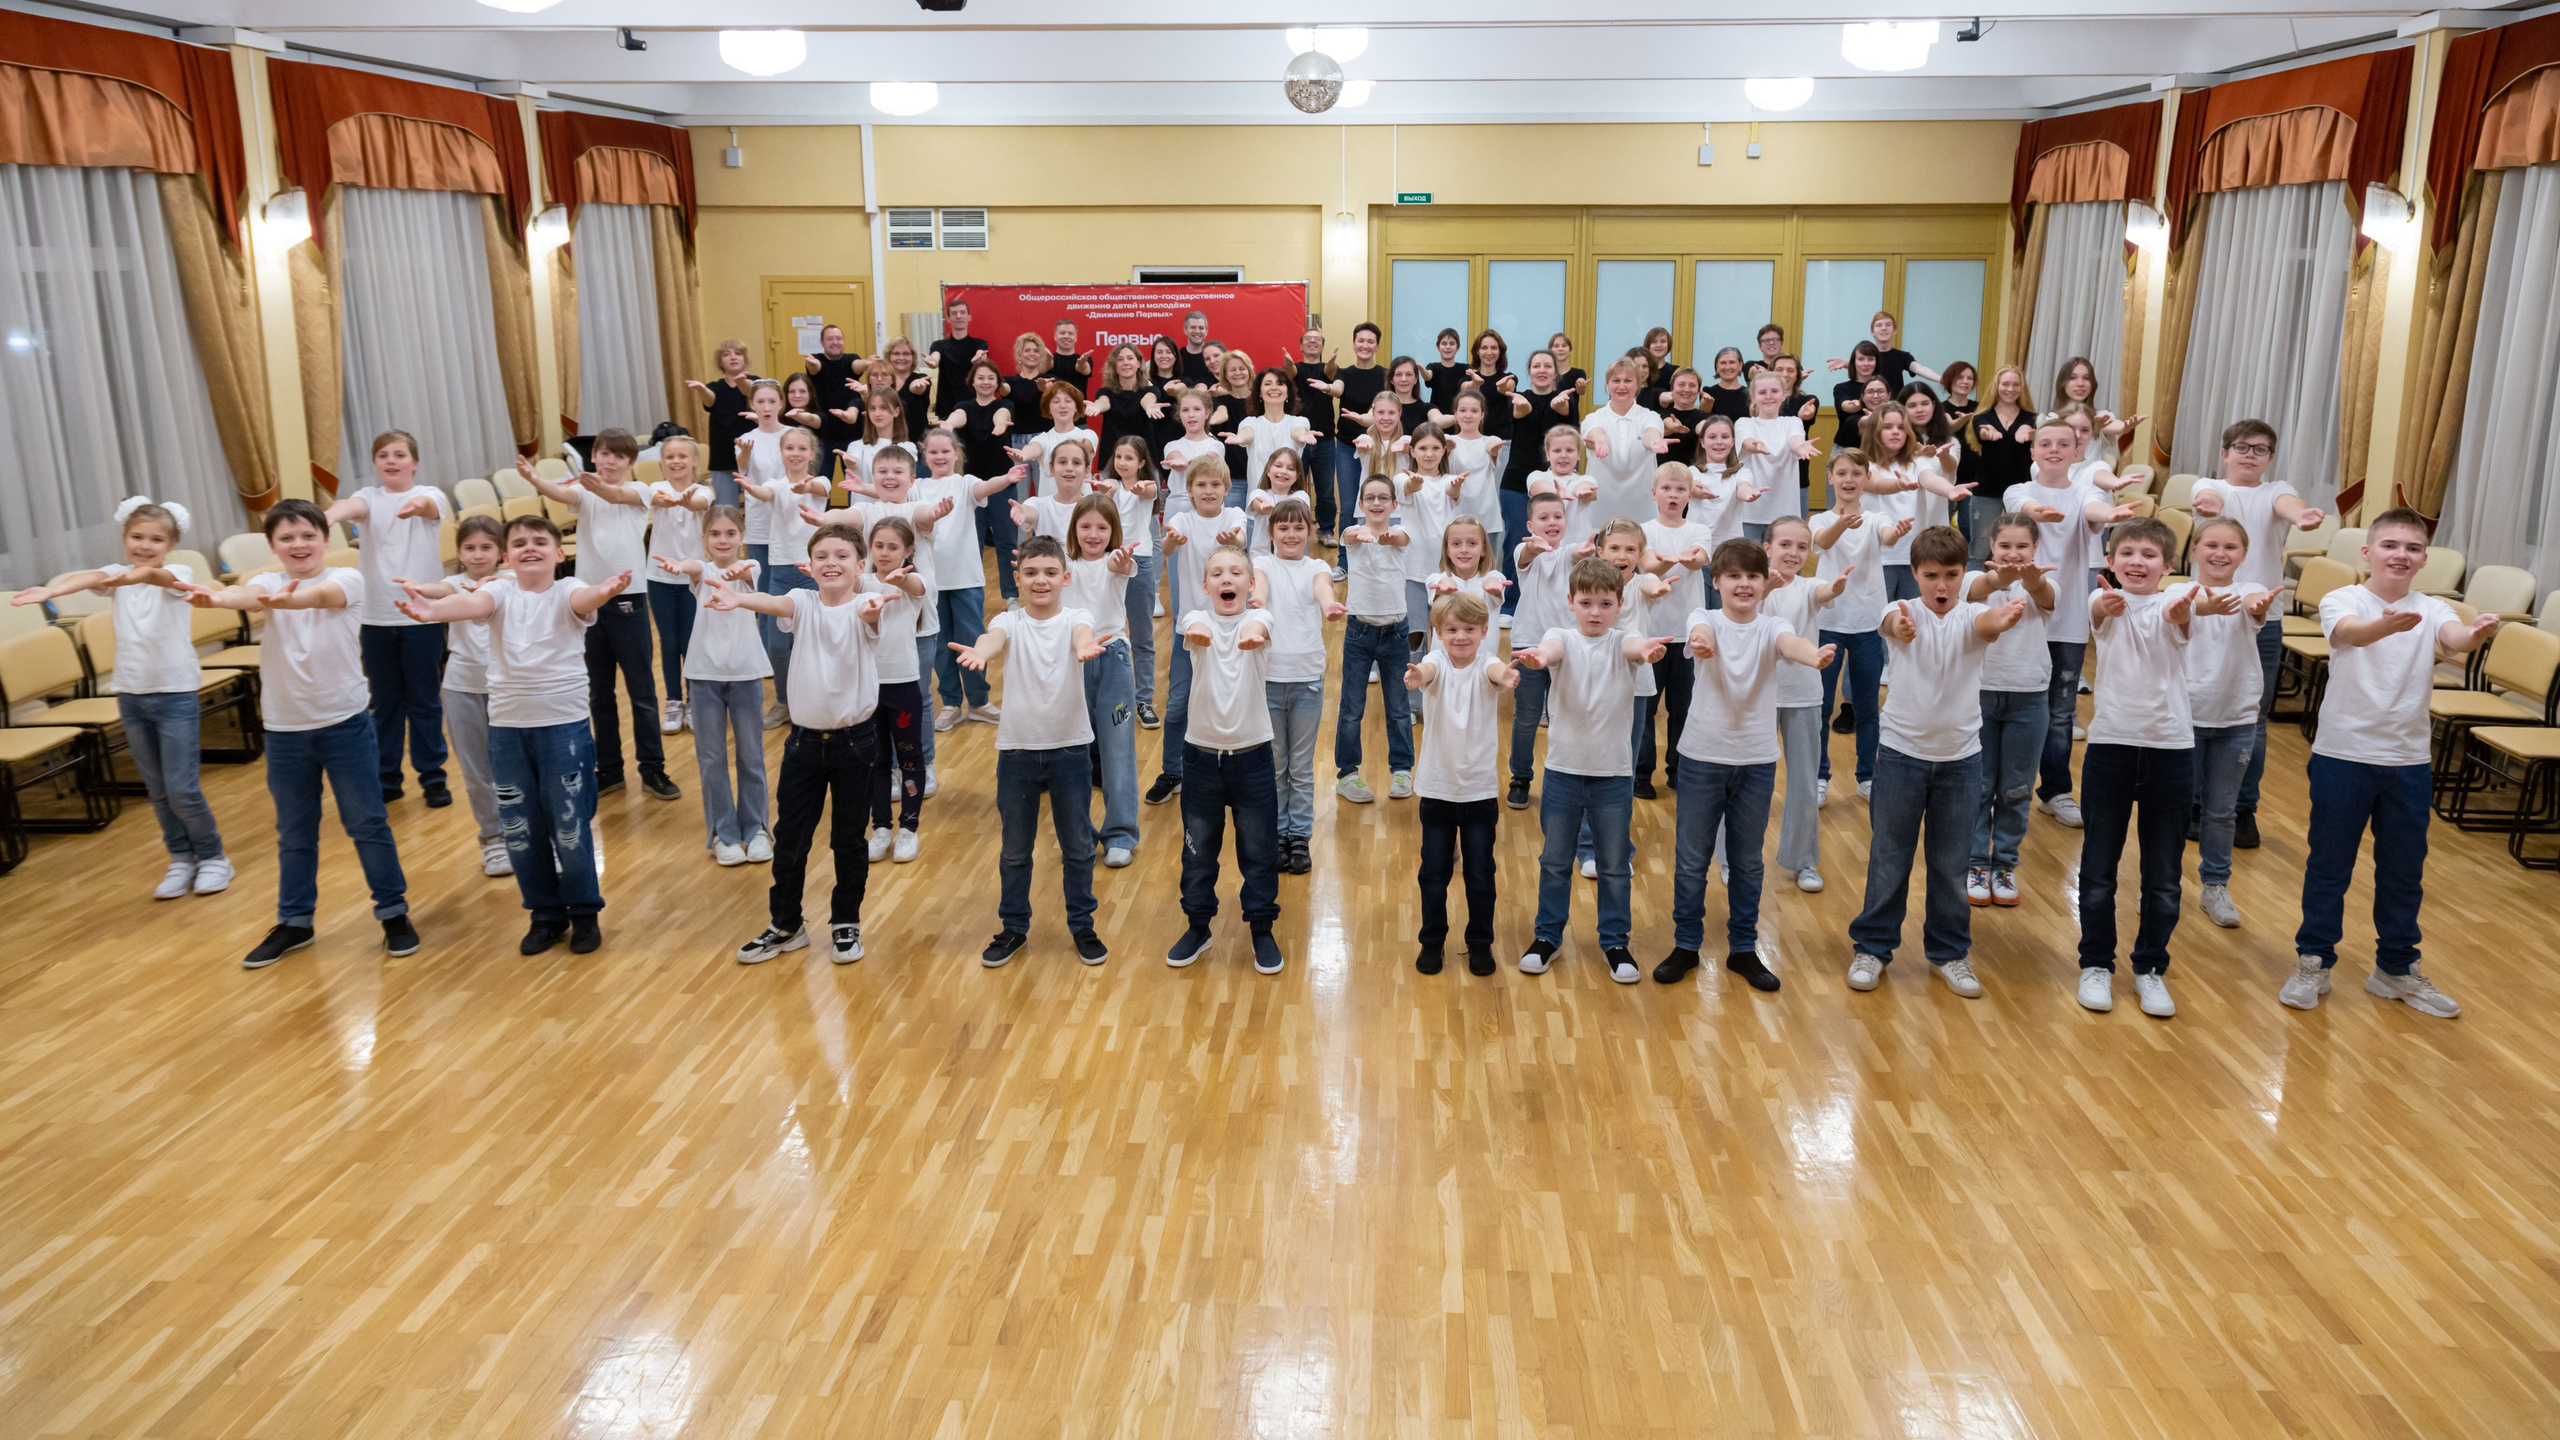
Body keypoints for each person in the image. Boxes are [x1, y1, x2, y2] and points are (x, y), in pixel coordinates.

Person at [183, 500, 416, 968]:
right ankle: (295, 922)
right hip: (286, 730)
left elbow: (317, 597)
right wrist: (218, 600)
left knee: (367, 823)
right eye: (286, 538)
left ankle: (393, 913)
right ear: (272, 546)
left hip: (344, 724)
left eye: (307, 535)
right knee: (294, 831)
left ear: (324, 539)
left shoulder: (347, 579)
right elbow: (246, 597)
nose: (298, 545)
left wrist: (284, 600)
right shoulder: (266, 583)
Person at [2287, 509, 2498, 1018]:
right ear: (2369, 553)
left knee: (2403, 871)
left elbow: (2454, 639)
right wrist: (2384, 624)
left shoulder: (2435, 607)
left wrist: (2477, 635)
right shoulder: (2344, 599)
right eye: (2390, 545)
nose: (2401, 555)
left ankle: (2396, 969)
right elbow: (2352, 635)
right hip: (2343, 754)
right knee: (2329, 866)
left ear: (2424, 558)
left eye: (2413, 548)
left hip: (2407, 761)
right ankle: (2313, 961)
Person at [395, 515, 624, 955]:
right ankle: (544, 915)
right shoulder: (497, 590)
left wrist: (607, 590)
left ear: (559, 553)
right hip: (508, 729)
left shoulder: (567, 588)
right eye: (519, 543)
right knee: (521, 827)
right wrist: (432, 612)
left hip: (563, 726)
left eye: (540, 541)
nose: (529, 548)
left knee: (570, 825)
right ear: (506, 557)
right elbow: (473, 606)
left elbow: (585, 599)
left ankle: (583, 912)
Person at [13, 499, 230, 897]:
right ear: (124, 537)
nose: (145, 545)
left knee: (183, 789)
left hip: (175, 695)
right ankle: (180, 858)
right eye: (136, 537)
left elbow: (151, 576)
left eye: (156, 539)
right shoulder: (115, 575)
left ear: (171, 543)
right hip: (131, 695)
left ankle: (214, 858)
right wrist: (51, 590)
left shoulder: (177, 573)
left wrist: (127, 578)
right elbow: (92, 576)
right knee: (158, 789)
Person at [1845, 525, 2026, 998]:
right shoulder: (1899, 609)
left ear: (1964, 575)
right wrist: (1900, 627)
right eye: (1931, 575)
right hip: (1901, 757)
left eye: (1951, 575)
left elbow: (1985, 626)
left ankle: (1950, 952)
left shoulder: (1975, 614)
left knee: (1950, 865)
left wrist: (2004, 620)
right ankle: (1872, 947)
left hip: (1961, 762)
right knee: (1889, 858)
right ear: (1915, 574)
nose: (1941, 585)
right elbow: (1891, 626)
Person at [712, 522, 893, 967]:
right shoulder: (803, 603)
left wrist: (872, 610)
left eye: (842, 556)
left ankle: (845, 923)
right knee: (791, 837)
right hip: (803, 746)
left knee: (848, 840)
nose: (831, 563)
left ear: (860, 566)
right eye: (822, 557)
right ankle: (786, 925)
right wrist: (738, 599)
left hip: (857, 744)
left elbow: (871, 617)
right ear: (810, 567)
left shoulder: (866, 606)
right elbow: (774, 601)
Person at [1661, 537, 1835, 991]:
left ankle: (1742, 949)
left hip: (1755, 761)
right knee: (1691, 860)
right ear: (1716, 581)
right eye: (1734, 576)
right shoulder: (1705, 617)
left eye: (1753, 576)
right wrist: (1700, 644)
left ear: (1764, 584)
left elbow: (1791, 642)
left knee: (1747, 862)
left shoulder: (1773, 624)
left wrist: (1811, 657)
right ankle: (1686, 945)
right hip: (1701, 756)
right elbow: (1700, 633)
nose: (1743, 584)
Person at [953, 535, 1110, 968]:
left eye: (1050, 573)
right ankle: (1013, 929)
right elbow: (992, 638)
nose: (1041, 581)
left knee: (1078, 845)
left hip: (1071, 751)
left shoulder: (1078, 616)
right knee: (1015, 850)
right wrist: (980, 653)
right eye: (1031, 573)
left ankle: (1083, 926)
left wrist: (1083, 648)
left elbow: (1083, 634)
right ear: (1018, 578)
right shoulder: (1011, 620)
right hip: (1018, 754)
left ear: (1065, 578)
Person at [1511, 554, 1667, 984]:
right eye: (1586, 603)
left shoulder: (1625, 640)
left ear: (1618, 605)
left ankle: (1615, 943)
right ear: (1571, 602)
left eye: (1604, 603)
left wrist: (1649, 650)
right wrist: (1538, 659)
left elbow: (1638, 647)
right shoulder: (1560, 635)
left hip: (1613, 776)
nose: (1595, 612)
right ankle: (1547, 937)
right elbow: (1549, 650)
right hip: (1563, 773)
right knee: (1555, 860)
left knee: (1614, 865)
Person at [2074, 516, 2206, 1016]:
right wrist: (2108, 603)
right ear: (2110, 560)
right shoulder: (2100, 599)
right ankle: (2096, 964)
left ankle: (2150, 968)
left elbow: (2181, 617)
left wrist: (2180, 609)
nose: (2137, 562)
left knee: (2164, 874)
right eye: (2127, 553)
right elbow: (2102, 610)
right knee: (2098, 868)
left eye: (2150, 555)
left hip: (2171, 750)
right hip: (2111, 747)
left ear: (2168, 565)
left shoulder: (2178, 601)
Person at [2189, 419, 2327, 850]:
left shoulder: (2275, 491)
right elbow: (2207, 498)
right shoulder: (2208, 486)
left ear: (2270, 457)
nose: (2250, 454)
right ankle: (2194, 804)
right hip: (2206, 612)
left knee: (2254, 718)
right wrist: (2210, 508)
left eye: (2261, 449)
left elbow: (2289, 504)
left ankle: (2243, 809)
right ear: (2225, 452)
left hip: (2262, 617)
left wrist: (2302, 516)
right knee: (2194, 709)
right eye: (2242, 447)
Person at [2003, 418, 2142, 826]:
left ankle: (2056, 791)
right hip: (2022, 617)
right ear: (2033, 451)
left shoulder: (2086, 491)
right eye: (2045, 443)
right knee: (2014, 706)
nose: (2054, 450)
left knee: (2060, 712)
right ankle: (2006, 788)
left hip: (2068, 621)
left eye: (2064, 444)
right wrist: (2038, 512)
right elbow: (2025, 510)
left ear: (2076, 450)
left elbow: (2093, 509)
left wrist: (2111, 510)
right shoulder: (2020, 490)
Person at [1167, 544, 1287, 975]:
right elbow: (1193, 627)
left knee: (1258, 850)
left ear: (1250, 584)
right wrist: (1200, 634)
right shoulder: (1195, 618)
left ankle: (1261, 929)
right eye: (1216, 573)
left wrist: (1252, 632)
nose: (1226, 579)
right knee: (1198, 853)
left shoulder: (1262, 619)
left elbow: (1259, 623)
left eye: (1236, 572)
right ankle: (1199, 927)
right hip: (1200, 759)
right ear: (1205, 585)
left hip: (1252, 758)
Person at [325, 430, 452, 806]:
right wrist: (326, 518)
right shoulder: (368, 497)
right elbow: (349, 507)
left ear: (414, 462)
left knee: (425, 701)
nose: (391, 461)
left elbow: (429, 505)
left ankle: (433, 778)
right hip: (377, 619)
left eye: (399, 455)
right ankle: (387, 779)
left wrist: (416, 507)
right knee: (384, 703)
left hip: (421, 617)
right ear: (376, 463)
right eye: (383, 455)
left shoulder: (429, 494)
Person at [654, 505, 771, 867]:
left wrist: (737, 569)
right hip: (704, 676)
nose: (723, 540)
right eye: (715, 534)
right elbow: (692, 567)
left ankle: (757, 831)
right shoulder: (700, 570)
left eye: (730, 534)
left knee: (751, 757)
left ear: (742, 537)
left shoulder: (751, 567)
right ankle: (724, 833)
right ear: (704, 539)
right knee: (712, 759)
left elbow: (746, 571)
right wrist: (680, 566)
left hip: (746, 674)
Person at [1408, 590, 1517, 977]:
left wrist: (1507, 675)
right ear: (1438, 632)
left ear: (1485, 631)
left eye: (1469, 629)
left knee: (1480, 874)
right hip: (1437, 790)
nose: (1460, 636)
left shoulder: (1488, 662)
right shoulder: (1434, 660)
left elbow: (1497, 672)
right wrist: (1415, 675)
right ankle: (1432, 942)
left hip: (1479, 791)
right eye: (1451, 629)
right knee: (1433, 874)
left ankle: (1479, 943)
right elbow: (1427, 673)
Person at [2180, 516, 2280, 930]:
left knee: (2222, 812)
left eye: (2231, 547)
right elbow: (2182, 610)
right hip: (2180, 719)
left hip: (2236, 719)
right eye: (2211, 545)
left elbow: (2257, 607)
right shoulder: (2175, 591)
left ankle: (2216, 886)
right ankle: (2159, 882)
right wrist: (2204, 604)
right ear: (2194, 550)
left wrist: (2258, 608)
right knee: (2170, 809)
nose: (2220, 554)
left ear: (2244, 554)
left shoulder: (2250, 590)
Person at [1962, 514, 2057, 909]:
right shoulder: (1973, 580)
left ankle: (2004, 864)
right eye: (2005, 546)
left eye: (2022, 546)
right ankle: (1975, 864)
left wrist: (2030, 578)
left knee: (2017, 789)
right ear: (1992, 547)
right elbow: (1978, 590)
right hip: (1980, 694)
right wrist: (2001, 578)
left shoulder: (2048, 579)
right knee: (1979, 786)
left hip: (2029, 696)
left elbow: (2044, 595)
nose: (2014, 554)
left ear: (2035, 548)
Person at [1147, 455, 1249, 806]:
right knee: (1178, 704)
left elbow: (1240, 541)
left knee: (1231, 701)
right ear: (1189, 489)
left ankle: (1231, 771)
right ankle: (1172, 770)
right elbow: (1169, 546)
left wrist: (1233, 540)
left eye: (1215, 485)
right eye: (1201, 485)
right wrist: (1173, 539)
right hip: (1189, 629)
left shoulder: (1234, 516)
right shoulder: (1181, 518)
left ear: (1226, 489)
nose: (1208, 491)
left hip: (1232, 628)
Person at [1252, 497, 1343, 875]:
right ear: (1271, 532)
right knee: (1274, 763)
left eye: (1299, 528)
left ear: (1309, 532)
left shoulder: (1318, 565)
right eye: (1283, 527)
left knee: (1301, 766)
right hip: (1270, 679)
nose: (1291, 534)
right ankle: (1276, 833)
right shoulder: (1261, 563)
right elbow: (1260, 590)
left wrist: (1329, 605)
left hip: (1307, 678)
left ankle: (1299, 836)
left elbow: (1323, 588)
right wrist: (1256, 601)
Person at [1760, 515, 1849, 893]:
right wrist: (1763, 586)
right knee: (1749, 784)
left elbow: (1823, 592)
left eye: (1801, 546)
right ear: (1767, 548)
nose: (1793, 553)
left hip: (1803, 695)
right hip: (1757, 697)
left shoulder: (1809, 586)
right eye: (1785, 545)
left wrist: (1838, 587)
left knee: (1803, 781)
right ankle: (1736, 858)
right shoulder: (1751, 587)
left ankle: (1804, 860)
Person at [916, 428, 1025, 732]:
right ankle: (950, 702)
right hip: (931, 582)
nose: (939, 457)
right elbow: (890, 493)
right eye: (933, 452)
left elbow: (986, 488)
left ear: (956, 454)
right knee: (941, 644)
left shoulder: (965, 483)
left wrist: (1007, 478)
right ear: (925, 456)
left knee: (972, 639)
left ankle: (978, 702)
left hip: (965, 579)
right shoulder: (919, 486)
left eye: (945, 451)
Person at [1812, 450, 1905, 802]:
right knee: (1821, 706)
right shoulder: (1819, 520)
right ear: (1831, 477)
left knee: (1868, 707)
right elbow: (1822, 542)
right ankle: (1820, 777)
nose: (1849, 479)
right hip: (1828, 622)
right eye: (1842, 473)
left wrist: (1897, 533)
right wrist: (1841, 522)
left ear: (1867, 479)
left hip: (1868, 624)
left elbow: (1888, 537)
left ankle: (1867, 776)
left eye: (1856, 473)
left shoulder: (1877, 517)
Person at [1061, 494, 1140, 867]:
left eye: (1102, 528)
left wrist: (1122, 562)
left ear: (1114, 532)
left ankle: (1120, 834)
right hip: (1072, 660)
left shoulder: (1116, 561)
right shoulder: (1063, 564)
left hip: (1113, 661)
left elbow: (1120, 568)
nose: (1093, 534)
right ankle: (1078, 835)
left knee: (1117, 750)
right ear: (1074, 529)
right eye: (1086, 526)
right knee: (1072, 751)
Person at [1334, 474, 1414, 806]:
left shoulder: (1402, 532)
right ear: (1361, 504)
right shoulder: (1351, 534)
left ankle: (1402, 769)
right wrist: (1361, 532)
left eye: (1384, 498)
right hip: (1360, 631)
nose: (1378, 503)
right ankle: (1347, 774)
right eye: (1371, 498)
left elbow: (1399, 539)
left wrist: (1385, 535)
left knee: (1398, 707)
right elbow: (1349, 535)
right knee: (1351, 708)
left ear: (1395, 504)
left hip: (1396, 632)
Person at [857, 515, 931, 866]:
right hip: (867, 687)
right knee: (875, 762)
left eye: (893, 547)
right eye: (879, 546)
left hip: (902, 687)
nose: (884, 553)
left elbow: (918, 588)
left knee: (910, 757)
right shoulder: (859, 583)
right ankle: (881, 828)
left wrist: (903, 578)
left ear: (908, 551)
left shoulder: (910, 582)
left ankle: (909, 829)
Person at [1504, 487, 1577, 810]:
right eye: (1544, 518)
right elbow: (1526, 556)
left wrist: (1589, 551)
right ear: (1530, 525)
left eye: (1557, 517)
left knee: (1567, 715)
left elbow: (1578, 554)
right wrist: (1535, 547)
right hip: (1528, 644)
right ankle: (1520, 778)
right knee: (1527, 717)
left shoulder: (1573, 552)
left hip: (1567, 647)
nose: (1552, 522)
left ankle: (1567, 777)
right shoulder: (1525, 553)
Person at [640, 437, 711, 735]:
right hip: (660, 578)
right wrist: (672, 499)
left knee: (691, 642)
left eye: (683, 456)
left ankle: (694, 701)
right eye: (670, 457)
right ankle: (673, 702)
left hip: (695, 578)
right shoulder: (655, 489)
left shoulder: (705, 490)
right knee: (669, 643)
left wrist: (686, 501)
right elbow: (656, 499)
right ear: (662, 462)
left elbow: (698, 504)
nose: (676, 461)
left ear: (694, 461)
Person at [1099, 437, 1163, 729]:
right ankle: (1107, 695)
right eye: (1118, 456)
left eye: (1129, 458)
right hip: (1109, 562)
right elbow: (1106, 491)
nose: (1122, 462)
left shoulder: (1147, 488)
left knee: (1142, 636)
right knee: (1105, 630)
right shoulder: (1110, 485)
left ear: (1140, 463)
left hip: (1141, 561)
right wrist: (1105, 490)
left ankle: (1143, 700)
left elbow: (1150, 489)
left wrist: (1142, 487)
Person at [1578, 356, 1668, 525]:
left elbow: (1650, 433)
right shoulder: (1593, 418)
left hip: (1643, 515)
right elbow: (1596, 433)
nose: (1621, 386)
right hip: (1599, 515)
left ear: (1638, 384)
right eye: (1616, 380)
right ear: (1607, 384)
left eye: (1628, 381)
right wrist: (1600, 442)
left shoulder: (1649, 416)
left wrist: (1655, 443)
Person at [683, 338, 759, 507]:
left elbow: (752, 390)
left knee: (758, 508)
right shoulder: (715, 387)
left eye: (738, 354)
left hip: (754, 457)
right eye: (727, 354)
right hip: (723, 459)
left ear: (744, 359)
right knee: (726, 509)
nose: (733, 357)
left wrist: (740, 381)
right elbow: (710, 401)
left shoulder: (755, 382)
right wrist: (702, 390)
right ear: (720, 362)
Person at [1828, 311, 1942, 393]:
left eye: (1888, 325)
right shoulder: (1868, 357)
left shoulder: (1902, 357)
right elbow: (1858, 363)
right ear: (1872, 331)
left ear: (1894, 330)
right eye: (1879, 325)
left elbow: (1919, 369)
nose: (1884, 328)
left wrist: (1942, 379)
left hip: (1895, 408)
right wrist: (1844, 363)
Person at [926, 297, 988, 415]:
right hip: (946, 407)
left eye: (962, 312)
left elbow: (982, 356)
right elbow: (935, 358)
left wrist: (979, 359)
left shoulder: (979, 343)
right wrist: (932, 362)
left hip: (974, 405)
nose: (958, 316)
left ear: (969, 317)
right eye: (954, 313)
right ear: (948, 319)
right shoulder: (939, 345)